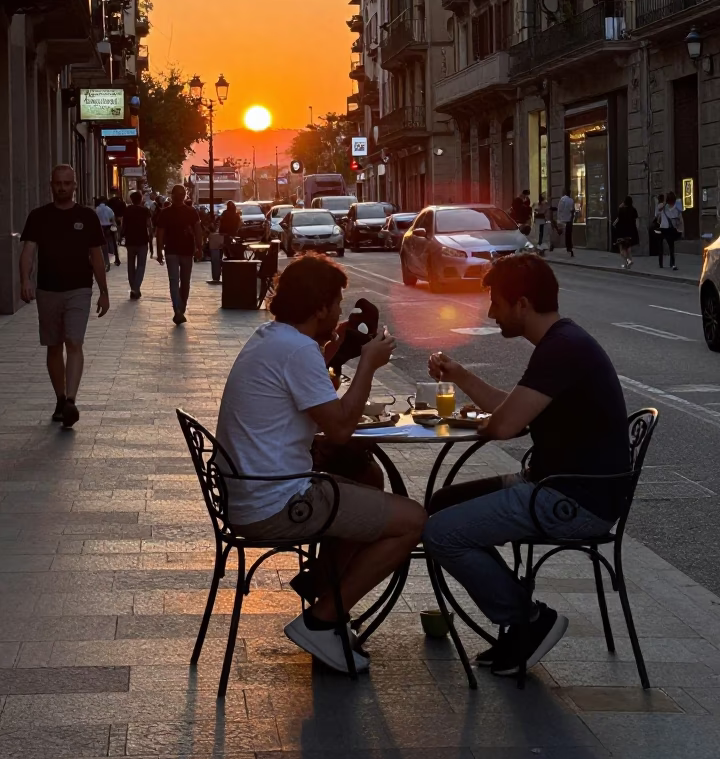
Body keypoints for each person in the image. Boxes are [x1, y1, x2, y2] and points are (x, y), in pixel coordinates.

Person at [215, 253, 426, 675]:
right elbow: (341, 429)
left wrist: (334, 350)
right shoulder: (296, 350)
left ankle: (323, 585)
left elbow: (309, 397)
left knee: (365, 475)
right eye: (336, 303)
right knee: (414, 520)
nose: (340, 310)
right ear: (319, 307)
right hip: (276, 504)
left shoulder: (274, 337)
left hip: (251, 493)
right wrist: (367, 362)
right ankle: (324, 617)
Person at [423, 254, 630, 678]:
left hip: (572, 501)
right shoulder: (561, 341)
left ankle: (528, 620)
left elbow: (505, 425)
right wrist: (460, 375)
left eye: (496, 302)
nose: (491, 313)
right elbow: (512, 412)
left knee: (440, 533)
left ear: (521, 303)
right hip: (558, 485)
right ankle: (519, 621)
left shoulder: (562, 349)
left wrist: (484, 420)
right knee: (442, 503)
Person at [19, 165, 109, 429]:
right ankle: (60, 397)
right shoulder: (38, 217)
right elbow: (28, 251)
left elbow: (96, 256)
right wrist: (25, 279)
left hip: (79, 289)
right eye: (58, 183)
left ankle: (71, 399)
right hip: (47, 289)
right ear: (51, 185)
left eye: (67, 183)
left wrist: (103, 292)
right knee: (53, 345)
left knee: (74, 341)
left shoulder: (88, 216)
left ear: (75, 186)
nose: (62, 187)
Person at [155, 184, 203, 323]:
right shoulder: (189, 211)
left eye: (181, 194)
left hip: (179, 251)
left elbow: (160, 233)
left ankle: (179, 308)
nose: (180, 197)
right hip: (180, 251)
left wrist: (159, 251)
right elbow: (198, 230)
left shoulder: (168, 212)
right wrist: (199, 248)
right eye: (179, 194)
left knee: (177, 281)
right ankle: (179, 308)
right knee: (181, 281)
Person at [123, 190, 154, 298]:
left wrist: (121, 236)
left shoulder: (127, 210)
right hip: (142, 240)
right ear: (140, 199)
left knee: (130, 265)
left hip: (130, 240)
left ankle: (134, 288)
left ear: (131, 200)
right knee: (141, 265)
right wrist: (151, 238)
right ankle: (135, 288)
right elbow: (149, 225)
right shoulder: (145, 210)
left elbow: (124, 224)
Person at [658, 191, 683, 271]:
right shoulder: (676, 207)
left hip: (663, 228)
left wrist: (665, 202)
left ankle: (661, 263)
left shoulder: (663, 206)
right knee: (671, 246)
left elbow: (658, 210)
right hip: (670, 229)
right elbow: (679, 218)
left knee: (661, 246)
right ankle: (672, 264)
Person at [613, 196, 639, 269]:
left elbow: (617, 220)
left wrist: (621, 206)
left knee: (622, 248)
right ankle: (628, 262)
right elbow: (637, 221)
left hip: (622, 231)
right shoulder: (634, 210)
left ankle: (627, 261)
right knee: (628, 247)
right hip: (631, 231)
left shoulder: (621, 210)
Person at [95, 197, 119, 269]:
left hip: (99, 228)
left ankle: (105, 261)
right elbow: (112, 220)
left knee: (102, 245)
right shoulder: (109, 209)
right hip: (108, 227)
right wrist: (115, 228)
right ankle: (115, 258)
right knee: (112, 243)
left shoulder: (96, 209)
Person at [556, 188, 576, 257]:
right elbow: (572, 210)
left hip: (562, 219)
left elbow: (560, 209)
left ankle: (556, 245)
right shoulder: (571, 200)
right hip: (569, 219)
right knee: (568, 234)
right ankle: (569, 247)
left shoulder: (562, 199)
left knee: (561, 233)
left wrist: (558, 219)